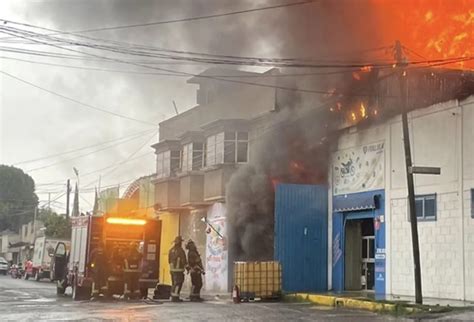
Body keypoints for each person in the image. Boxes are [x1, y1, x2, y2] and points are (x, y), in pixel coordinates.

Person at [168, 236, 187, 302]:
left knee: (174, 283)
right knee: (178, 283)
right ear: (179, 243)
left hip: (172, 270)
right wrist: (187, 267)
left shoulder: (171, 250)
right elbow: (183, 260)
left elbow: (169, 260)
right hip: (179, 270)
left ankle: (173, 296)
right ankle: (175, 297)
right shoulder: (180, 250)